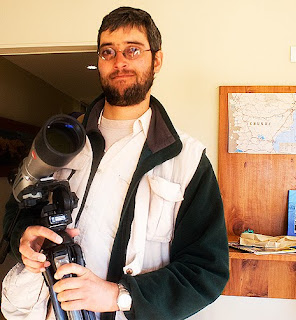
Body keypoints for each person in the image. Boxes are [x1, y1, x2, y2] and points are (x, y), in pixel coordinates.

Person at [1, 6, 229, 320]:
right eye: (108, 52)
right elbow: (17, 209)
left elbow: (206, 273)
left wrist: (117, 296)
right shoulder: (61, 138)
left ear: (156, 60)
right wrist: (24, 241)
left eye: (132, 50)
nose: (119, 61)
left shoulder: (188, 161)